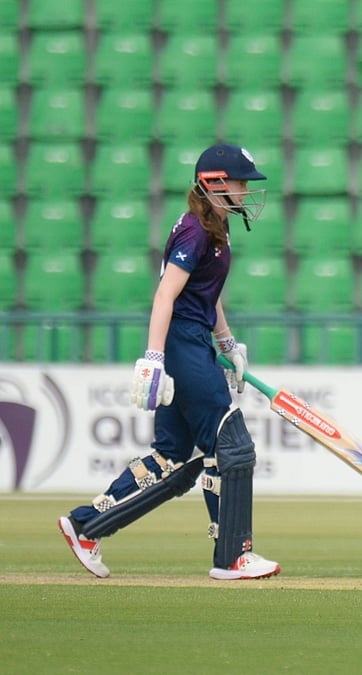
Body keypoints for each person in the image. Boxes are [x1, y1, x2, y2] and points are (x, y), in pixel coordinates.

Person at [57, 144, 280, 581]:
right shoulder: (195, 231)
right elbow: (166, 296)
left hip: (195, 338)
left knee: (173, 460)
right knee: (230, 445)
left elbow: (205, 296)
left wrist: (227, 341)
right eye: (240, 182)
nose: (246, 190)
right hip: (181, 343)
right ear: (216, 183)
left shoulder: (216, 227)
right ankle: (233, 555)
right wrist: (154, 358)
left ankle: (86, 526)